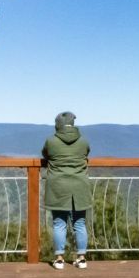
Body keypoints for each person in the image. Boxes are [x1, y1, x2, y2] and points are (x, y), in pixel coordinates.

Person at [42, 111, 92, 269]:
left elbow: (45, 154)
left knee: (59, 223)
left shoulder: (51, 141)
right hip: (80, 185)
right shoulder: (83, 142)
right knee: (80, 223)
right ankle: (82, 258)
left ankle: (59, 259)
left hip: (58, 185)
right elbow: (86, 153)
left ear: (58, 125)